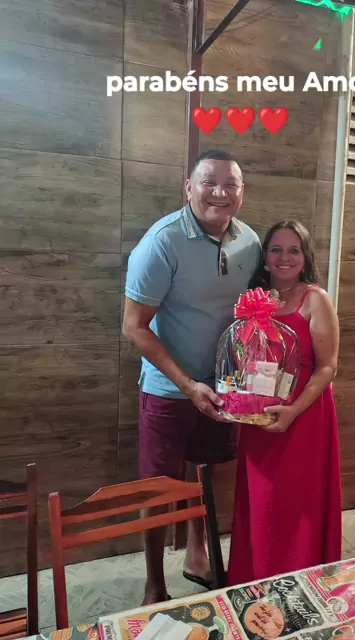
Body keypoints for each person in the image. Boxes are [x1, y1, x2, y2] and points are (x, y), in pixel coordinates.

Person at [122, 149, 261, 603]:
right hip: (169, 389)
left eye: (230, 184)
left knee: (206, 472)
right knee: (158, 489)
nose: (220, 192)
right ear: (188, 188)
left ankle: (197, 553)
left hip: (223, 388)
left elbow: (252, 313)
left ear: (242, 192)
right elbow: (133, 327)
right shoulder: (161, 242)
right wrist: (187, 385)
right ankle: (153, 583)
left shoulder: (250, 242)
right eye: (208, 182)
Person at [227, 219, 342, 585]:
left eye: (294, 250)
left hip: (303, 417)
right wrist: (236, 399)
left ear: (305, 258)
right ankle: (255, 578)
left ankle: (300, 582)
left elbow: (328, 367)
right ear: (265, 257)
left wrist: (292, 410)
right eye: (276, 249)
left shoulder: (315, 299)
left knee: (296, 502)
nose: (284, 257)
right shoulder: (254, 299)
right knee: (261, 503)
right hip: (258, 419)